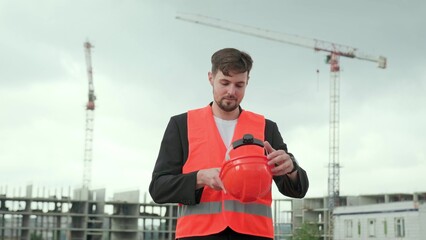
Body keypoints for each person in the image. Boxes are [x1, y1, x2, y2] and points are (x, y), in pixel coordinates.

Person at [149, 48, 309, 240]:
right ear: (211, 78)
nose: (231, 92)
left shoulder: (266, 128)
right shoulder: (182, 125)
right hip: (198, 235)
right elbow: (159, 189)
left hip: (254, 234)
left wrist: (291, 168)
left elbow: (297, 189)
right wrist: (199, 178)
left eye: (239, 85)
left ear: (247, 82)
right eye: (224, 83)